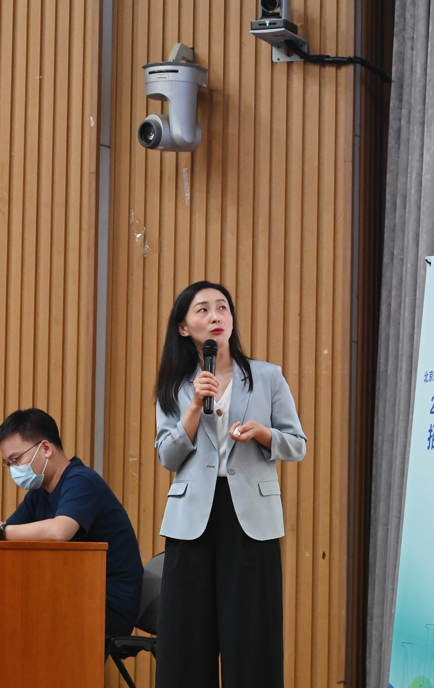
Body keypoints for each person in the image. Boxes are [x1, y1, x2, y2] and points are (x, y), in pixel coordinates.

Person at [153, 281, 307, 688]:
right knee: (186, 639)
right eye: (202, 310)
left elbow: (297, 444)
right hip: (192, 519)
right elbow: (167, 456)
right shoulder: (175, 385)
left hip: (250, 519)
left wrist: (263, 434)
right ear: (183, 327)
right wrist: (192, 408)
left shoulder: (267, 376)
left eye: (222, 308)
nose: (215, 316)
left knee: (252, 637)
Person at [0, 409, 143, 650]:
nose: (13, 469)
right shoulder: (38, 494)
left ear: (45, 448)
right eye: (8, 464)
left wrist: (0, 531)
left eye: (16, 460)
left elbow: (58, 532)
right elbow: (9, 536)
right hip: (71, 594)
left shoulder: (81, 481)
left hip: (107, 603)